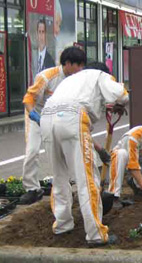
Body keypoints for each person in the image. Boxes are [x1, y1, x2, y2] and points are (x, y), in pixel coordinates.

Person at [40, 62, 128, 247]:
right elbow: (121, 94)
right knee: (86, 179)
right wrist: (120, 103)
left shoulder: (72, 80)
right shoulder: (99, 75)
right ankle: (96, 234)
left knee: (59, 176)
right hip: (73, 117)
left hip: (47, 118)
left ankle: (62, 224)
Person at [20, 46, 86, 205]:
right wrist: (35, 116)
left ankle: (65, 182)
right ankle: (31, 188)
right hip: (36, 115)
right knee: (32, 151)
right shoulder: (47, 76)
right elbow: (28, 99)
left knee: (63, 150)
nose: (81, 69)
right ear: (68, 63)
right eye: (79, 65)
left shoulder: (76, 80)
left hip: (57, 117)